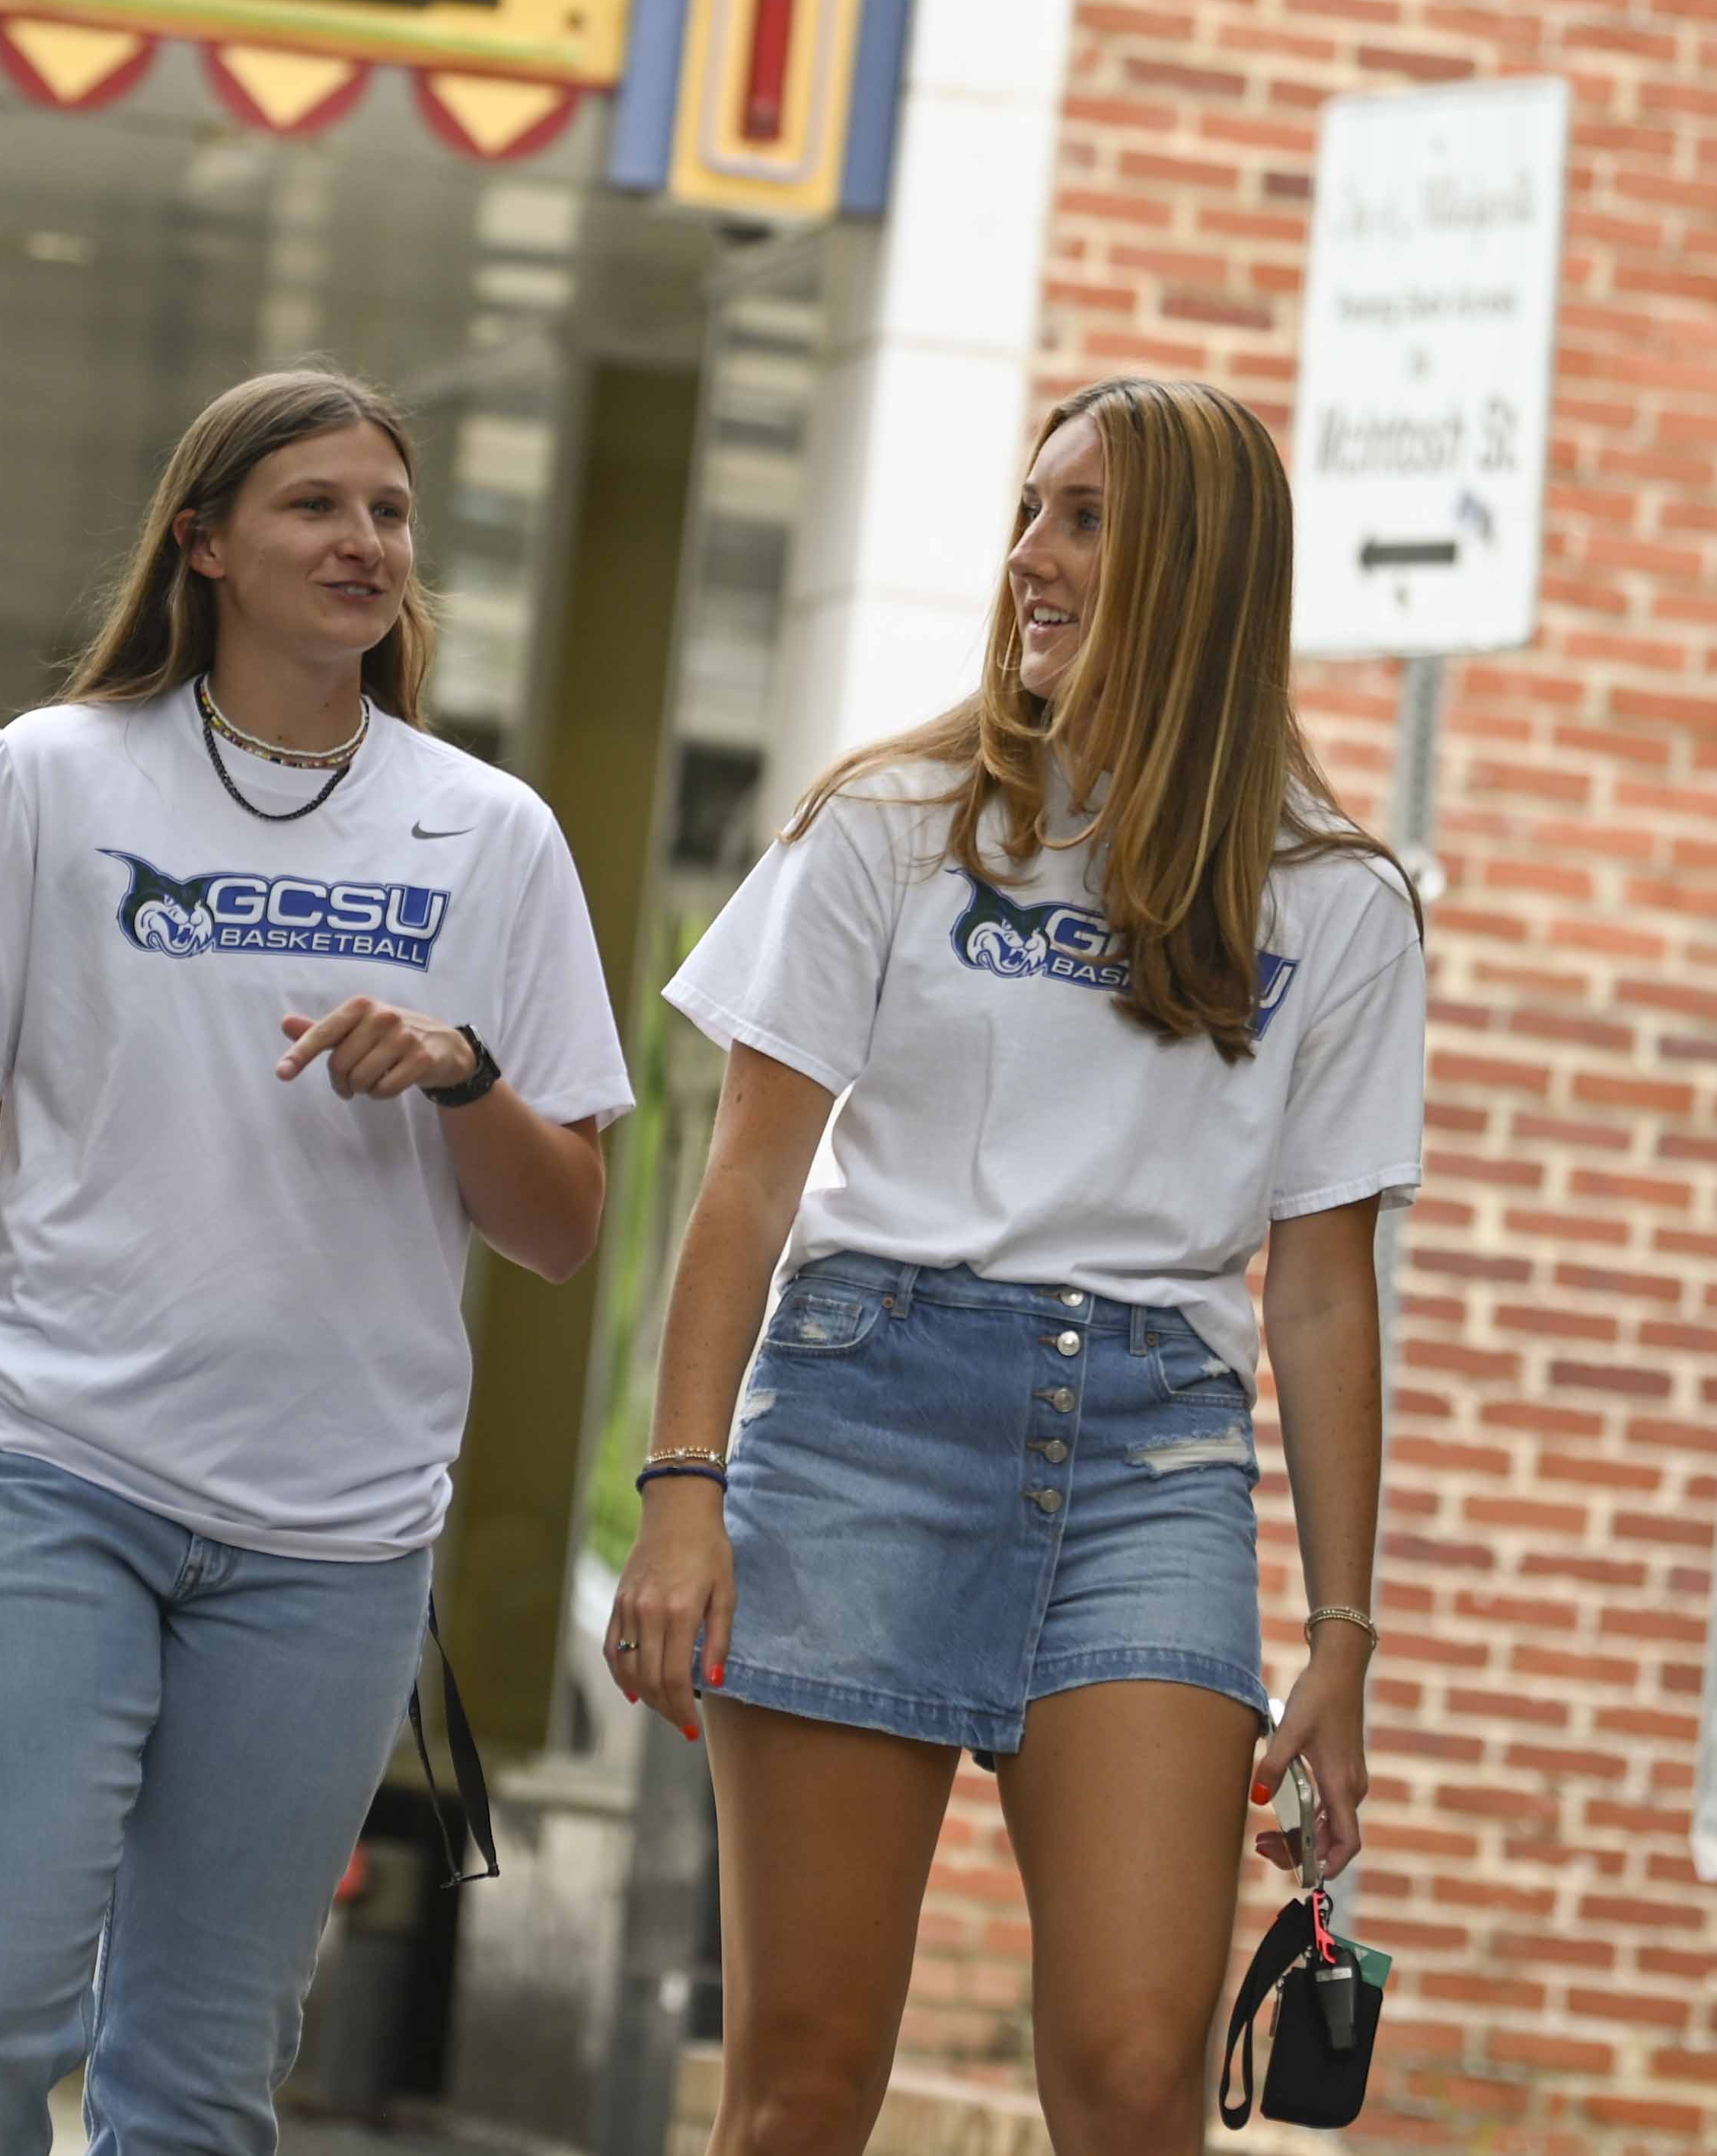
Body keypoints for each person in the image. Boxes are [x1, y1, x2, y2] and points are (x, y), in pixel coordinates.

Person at [0, 368, 637, 2156]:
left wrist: (463, 1074)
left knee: (199, 2080)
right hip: (45, 1471)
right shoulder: (54, 778)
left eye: (388, 510)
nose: (363, 541)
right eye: (316, 504)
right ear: (204, 542)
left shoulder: (492, 834)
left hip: (333, 1541)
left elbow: (562, 1226)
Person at [605, 376, 1427, 2156]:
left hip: (1153, 1463)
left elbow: (1322, 1285)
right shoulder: (889, 823)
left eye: (1084, 520)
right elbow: (745, 1184)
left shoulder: (1339, 900)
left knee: (1141, 2085)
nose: (1029, 559)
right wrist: (683, 1487)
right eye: (1029, 511)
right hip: (861, 1426)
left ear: (1199, 573)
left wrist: (1345, 1635)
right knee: (802, 2093)